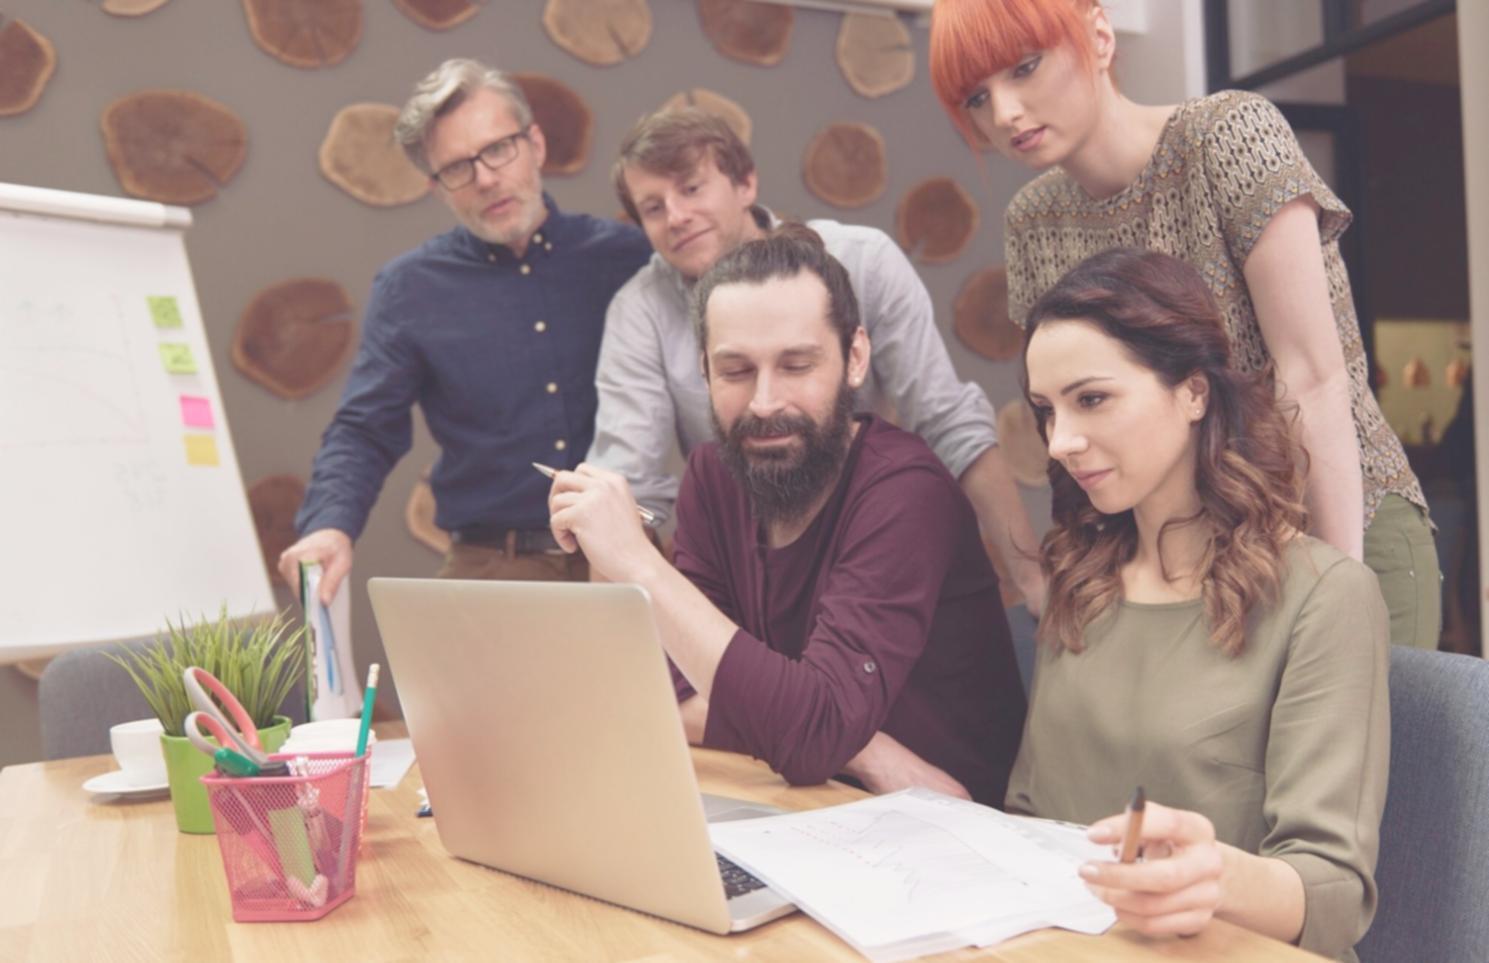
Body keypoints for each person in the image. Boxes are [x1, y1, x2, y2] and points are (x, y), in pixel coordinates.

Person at [928, 0, 1439, 647]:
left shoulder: (1227, 137)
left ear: (1100, 35)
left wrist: (1337, 587)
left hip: (1341, 518)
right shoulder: (1033, 222)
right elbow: (1076, 428)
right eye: (976, 96)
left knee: (1359, 745)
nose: (1003, 113)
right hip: (1197, 561)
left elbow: (1311, 376)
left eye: (1025, 68)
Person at [547, 226, 1027, 806]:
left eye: (796, 365)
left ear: (855, 358)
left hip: (948, 835)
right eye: (736, 371)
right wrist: (866, 748)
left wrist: (638, 567)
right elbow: (675, 686)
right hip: (801, 803)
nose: (765, 402)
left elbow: (802, 724)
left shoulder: (905, 492)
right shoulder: (713, 476)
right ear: (703, 370)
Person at [1011, 248, 1388, 961]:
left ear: (1192, 392)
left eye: (1090, 399)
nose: (1059, 442)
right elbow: (1030, 811)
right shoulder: (1078, 575)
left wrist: (1213, 876)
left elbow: (1333, 895)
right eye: (1045, 411)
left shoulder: (1324, 596)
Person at [588, 107, 1048, 615]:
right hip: (751, 574)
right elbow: (624, 492)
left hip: (878, 545)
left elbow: (949, 422)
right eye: (653, 207)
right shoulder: (639, 312)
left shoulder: (863, 259)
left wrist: (1032, 582)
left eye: (691, 189)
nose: (675, 215)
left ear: (745, 183)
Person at [277, 59, 651, 602]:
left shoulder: (625, 258)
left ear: (536, 144)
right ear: (437, 188)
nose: (485, 178)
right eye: (457, 168)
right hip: (492, 571)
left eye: (498, 149)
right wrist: (329, 523)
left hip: (629, 559)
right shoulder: (410, 289)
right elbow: (364, 427)